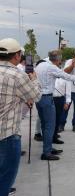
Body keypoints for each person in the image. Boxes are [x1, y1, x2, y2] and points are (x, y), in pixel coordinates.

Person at [0, 38, 41, 196]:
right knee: (6, 174)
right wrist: (34, 80)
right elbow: (35, 96)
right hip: (7, 134)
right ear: (17, 55)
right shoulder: (17, 75)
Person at [36, 50, 75, 161]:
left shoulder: (40, 65)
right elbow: (67, 77)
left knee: (45, 125)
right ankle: (46, 153)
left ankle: (48, 148)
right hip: (47, 98)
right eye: (60, 59)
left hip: (39, 98)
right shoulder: (51, 67)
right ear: (58, 59)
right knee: (50, 125)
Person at [53, 78, 71, 143]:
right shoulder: (51, 75)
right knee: (50, 120)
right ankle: (50, 136)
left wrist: (67, 102)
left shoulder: (65, 77)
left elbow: (68, 91)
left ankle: (54, 136)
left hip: (60, 99)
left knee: (58, 119)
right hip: (50, 98)